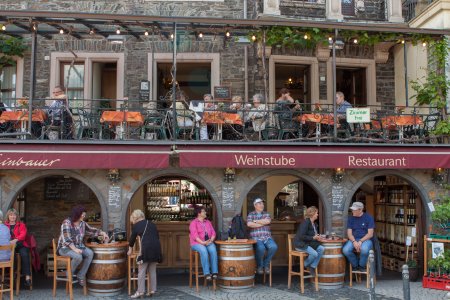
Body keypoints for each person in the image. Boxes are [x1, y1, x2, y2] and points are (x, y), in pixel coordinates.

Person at [57, 205, 109, 286]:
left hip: (78, 246)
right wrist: (75, 249)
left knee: (90, 253)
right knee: (78, 257)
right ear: (77, 214)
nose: (84, 216)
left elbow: (92, 230)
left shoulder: (82, 224)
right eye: (83, 214)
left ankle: (81, 275)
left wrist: (102, 233)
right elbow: (67, 239)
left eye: (84, 214)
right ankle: (69, 273)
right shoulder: (66, 223)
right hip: (65, 248)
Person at [127, 209, 161, 298]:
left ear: (135, 218)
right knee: (152, 270)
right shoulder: (152, 224)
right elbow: (157, 236)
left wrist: (130, 249)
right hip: (156, 248)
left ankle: (140, 291)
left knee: (141, 271)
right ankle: (153, 290)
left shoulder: (137, 225)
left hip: (146, 249)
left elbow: (132, 239)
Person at [247, 198, 278, 274]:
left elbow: (267, 221)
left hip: (267, 237)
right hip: (256, 238)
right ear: (255, 205)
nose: (262, 205)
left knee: (274, 247)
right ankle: (260, 266)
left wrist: (255, 221)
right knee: (261, 248)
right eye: (260, 203)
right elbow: (249, 224)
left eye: (262, 203)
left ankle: (265, 264)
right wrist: (262, 223)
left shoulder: (266, 214)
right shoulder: (251, 214)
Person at [342, 202, 374, 271]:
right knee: (345, 250)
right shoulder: (351, 218)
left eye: (354, 210)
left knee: (364, 250)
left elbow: (370, 234)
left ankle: (361, 266)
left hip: (366, 239)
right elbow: (349, 234)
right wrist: (354, 241)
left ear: (360, 210)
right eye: (352, 209)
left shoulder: (368, 218)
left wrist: (360, 241)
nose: (352, 211)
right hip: (353, 239)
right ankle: (355, 265)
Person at [293, 206, 325, 276]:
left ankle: (312, 266)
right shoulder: (305, 223)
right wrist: (313, 237)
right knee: (314, 254)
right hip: (300, 244)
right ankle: (304, 265)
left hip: (308, 243)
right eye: (317, 213)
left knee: (321, 248)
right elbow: (302, 236)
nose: (317, 215)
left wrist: (318, 237)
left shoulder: (314, 224)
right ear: (312, 214)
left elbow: (313, 236)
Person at [189, 205, 218, 281]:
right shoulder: (193, 223)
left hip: (207, 242)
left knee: (213, 250)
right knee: (203, 250)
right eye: (203, 211)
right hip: (196, 243)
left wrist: (211, 240)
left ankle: (214, 272)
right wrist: (203, 243)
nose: (205, 212)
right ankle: (207, 273)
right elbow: (195, 236)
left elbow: (213, 233)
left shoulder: (208, 222)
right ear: (199, 213)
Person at [4, 208, 31, 286]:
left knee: (24, 254)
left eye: (14, 215)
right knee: (11, 255)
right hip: (9, 246)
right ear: (8, 216)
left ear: (17, 216)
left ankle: (27, 277)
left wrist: (15, 240)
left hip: (20, 244)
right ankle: (13, 273)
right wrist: (11, 242)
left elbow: (23, 235)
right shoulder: (4, 225)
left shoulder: (21, 225)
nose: (13, 217)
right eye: (11, 215)